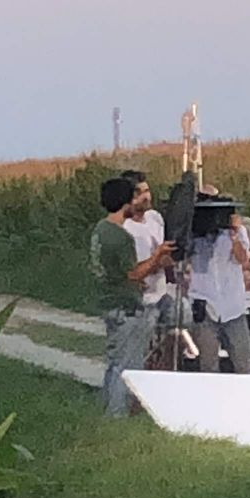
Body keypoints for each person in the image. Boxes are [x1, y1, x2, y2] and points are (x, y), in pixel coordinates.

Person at [91, 177, 173, 416]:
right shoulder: (121, 236)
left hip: (109, 302)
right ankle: (117, 415)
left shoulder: (101, 229)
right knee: (128, 367)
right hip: (126, 306)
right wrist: (158, 256)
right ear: (126, 201)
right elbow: (134, 273)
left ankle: (106, 409)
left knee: (115, 362)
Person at [119, 170, 178, 368]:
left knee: (183, 327)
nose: (147, 197)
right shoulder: (125, 229)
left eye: (147, 190)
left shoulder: (155, 218)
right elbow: (134, 273)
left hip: (163, 293)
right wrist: (158, 259)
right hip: (142, 301)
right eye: (139, 193)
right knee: (136, 355)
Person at [188, 207, 250, 374]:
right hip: (205, 304)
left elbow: (242, 259)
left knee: (243, 362)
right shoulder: (193, 235)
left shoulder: (237, 232)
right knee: (208, 363)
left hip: (233, 306)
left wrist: (235, 236)